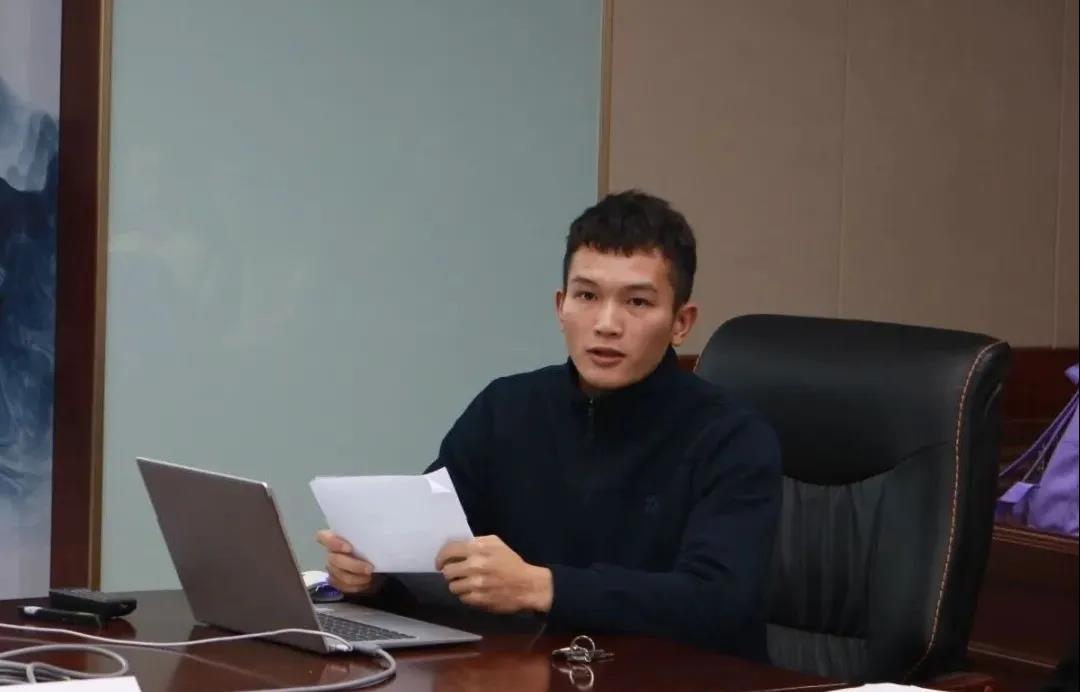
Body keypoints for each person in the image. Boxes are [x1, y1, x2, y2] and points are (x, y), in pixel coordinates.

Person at [316, 190, 782, 659]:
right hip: (530, 671)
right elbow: (427, 552)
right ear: (561, 306)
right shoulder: (506, 409)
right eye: (587, 296)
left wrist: (542, 587)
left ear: (682, 322)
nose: (606, 324)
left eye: (638, 302)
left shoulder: (732, 437)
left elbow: (719, 602)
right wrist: (372, 576)